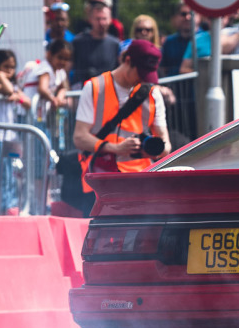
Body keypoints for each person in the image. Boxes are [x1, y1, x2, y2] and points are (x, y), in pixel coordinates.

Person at [71, 40, 170, 216]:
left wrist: (153, 151)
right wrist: (115, 148)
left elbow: (166, 145)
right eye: (141, 72)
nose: (143, 79)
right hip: (100, 180)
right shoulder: (94, 87)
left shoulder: (153, 93)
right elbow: (79, 137)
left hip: (140, 181)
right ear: (127, 60)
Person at [0, 49, 31, 215]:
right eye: (5, 67)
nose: (10, 70)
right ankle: (5, 206)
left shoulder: (14, 86)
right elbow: (8, 91)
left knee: (12, 175)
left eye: (12, 67)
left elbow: (28, 103)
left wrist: (19, 96)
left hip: (11, 138)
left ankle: (11, 204)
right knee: (2, 175)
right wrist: (0, 76)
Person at [71, 0, 121, 86]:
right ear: (90, 20)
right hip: (83, 89)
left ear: (110, 20)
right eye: (98, 19)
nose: (101, 23)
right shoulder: (78, 42)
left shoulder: (115, 44)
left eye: (104, 19)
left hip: (108, 89)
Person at [161, 2, 199, 77]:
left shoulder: (206, 40)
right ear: (176, 17)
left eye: (191, 14)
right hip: (174, 87)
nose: (187, 17)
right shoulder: (169, 42)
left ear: (199, 16)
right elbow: (163, 69)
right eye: (183, 14)